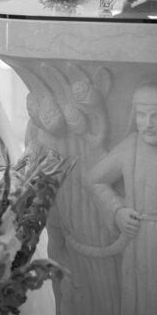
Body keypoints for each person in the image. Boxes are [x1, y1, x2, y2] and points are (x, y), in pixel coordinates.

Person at [89, 81, 157, 315]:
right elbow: (96, 179)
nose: (148, 124)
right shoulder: (131, 147)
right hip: (138, 237)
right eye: (141, 115)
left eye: (155, 116)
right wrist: (118, 212)